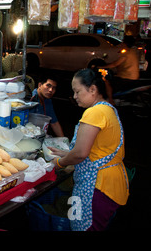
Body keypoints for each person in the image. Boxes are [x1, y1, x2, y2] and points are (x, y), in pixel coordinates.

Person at [50, 68, 129, 231]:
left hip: (97, 186)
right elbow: (96, 149)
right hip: (110, 182)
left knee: (86, 227)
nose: (75, 96)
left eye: (77, 91)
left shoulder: (94, 112)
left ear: (92, 89)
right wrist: (67, 154)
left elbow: (80, 154)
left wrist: (59, 162)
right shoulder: (108, 108)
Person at [99, 35, 140, 105]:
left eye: (123, 42)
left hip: (126, 78)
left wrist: (101, 67)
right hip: (133, 77)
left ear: (125, 43)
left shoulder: (126, 54)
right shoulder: (133, 51)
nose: (121, 44)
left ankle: (110, 100)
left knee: (106, 80)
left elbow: (115, 64)